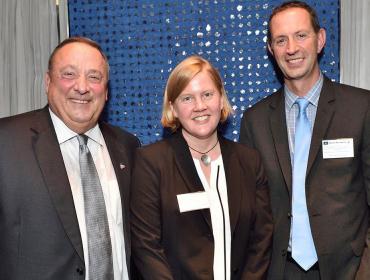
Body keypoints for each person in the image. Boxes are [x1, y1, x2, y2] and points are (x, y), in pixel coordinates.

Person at [239, 1, 370, 279]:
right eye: (281, 40)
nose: (292, 49)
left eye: (301, 35)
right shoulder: (255, 121)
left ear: (320, 39)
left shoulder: (361, 108)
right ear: (271, 49)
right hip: (279, 271)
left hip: (349, 270)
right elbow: (251, 212)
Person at [0, 37, 140, 280]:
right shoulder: (6, 143)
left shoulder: (128, 147)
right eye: (69, 74)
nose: (82, 87)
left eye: (94, 77)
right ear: (48, 82)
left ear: (106, 91)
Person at [130, 55, 273, 279]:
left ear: (221, 98)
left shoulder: (249, 161)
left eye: (207, 94)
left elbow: (262, 239)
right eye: (187, 98)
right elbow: (146, 247)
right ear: (173, 108)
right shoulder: (151, 162)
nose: (200, 106)